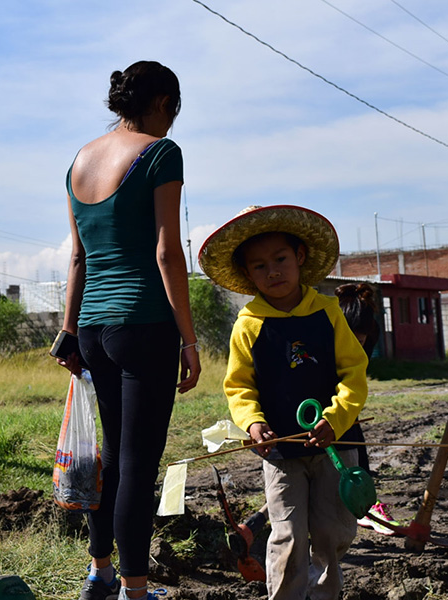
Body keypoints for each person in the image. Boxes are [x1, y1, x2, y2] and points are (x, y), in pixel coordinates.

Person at [57, 60, 200, 600]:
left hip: (94, 327)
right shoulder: (161, 153)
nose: (173, 122)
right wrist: (188, 338)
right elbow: (167, 252)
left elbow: (78, 257)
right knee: (138, 462)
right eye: (174, 110)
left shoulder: (79, 161)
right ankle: (135, 591)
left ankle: (100, 573)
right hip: (143, 324)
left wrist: (69, 329)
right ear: (163, 101)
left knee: (111, 458)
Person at [199, 205, 368, 600]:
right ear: (247, 274)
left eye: (280, 260)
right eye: (259, 266)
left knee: (331, 534)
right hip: (279, 453)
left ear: (300, 258)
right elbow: (239, 387)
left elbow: (354, 374)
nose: (272, 271)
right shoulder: (249, 324)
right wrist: (253, 424)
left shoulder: (328, 313)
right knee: (288, 535)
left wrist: (336, 418)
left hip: (336, 448)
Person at [334, 283, 398, 536]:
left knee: (354, 437)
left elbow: (357, 374)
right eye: (351, 339)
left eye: (359, 341)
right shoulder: (325, 329)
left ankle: (366, 505)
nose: (356, 347)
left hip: (347, 392)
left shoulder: (371, 335)